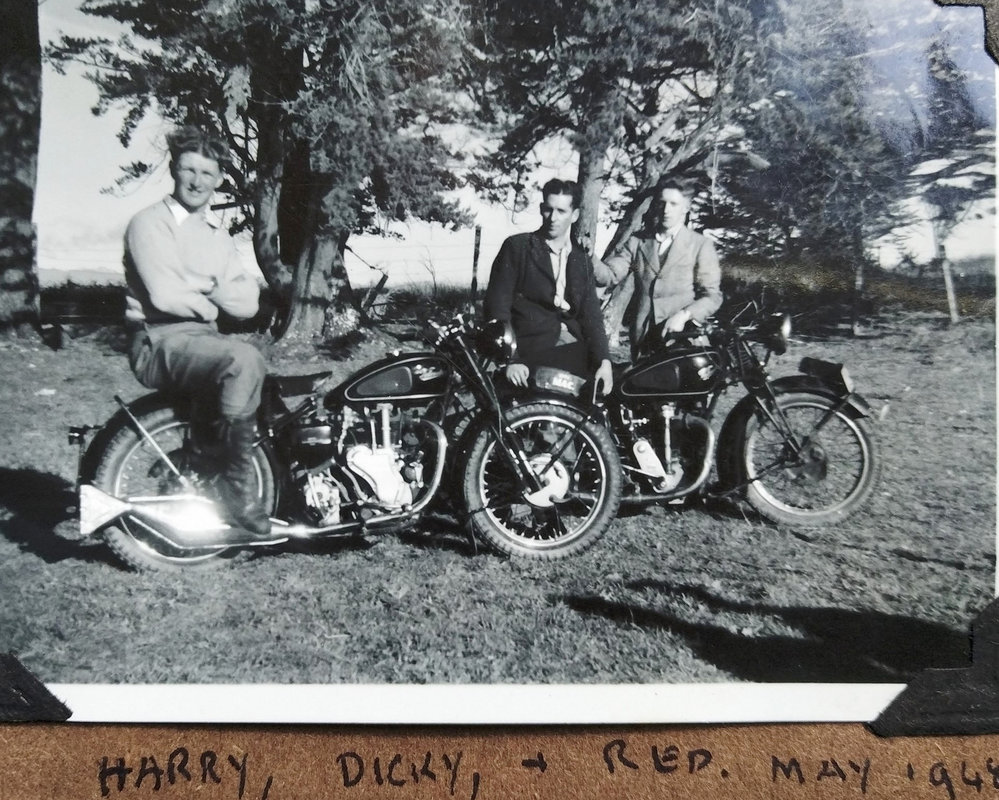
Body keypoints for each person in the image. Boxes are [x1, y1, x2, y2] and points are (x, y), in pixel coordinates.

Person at [122, 125, 273, 538]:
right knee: (243, 359)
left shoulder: (216, 236)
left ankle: (229, 469)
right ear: (174, 169)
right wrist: (212, 296)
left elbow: (248, 302)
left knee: (267, 384)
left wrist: (200, 284)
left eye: (207, 173)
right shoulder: (149, 223)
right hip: (158, 339)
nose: (196, 181)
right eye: (189, 170)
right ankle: (234, 485)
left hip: (203, 338)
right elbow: (164, 294)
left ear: (219, 179)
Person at [484, 179, 614, 394]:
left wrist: (605, 361)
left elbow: (591, 315)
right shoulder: (518, 248)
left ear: (575, 215)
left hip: (573, 348)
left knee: (609, 391)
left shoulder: (581, 259)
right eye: (548, 209)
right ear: (541, 209)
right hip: (530, 350)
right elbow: (497, 307)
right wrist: (511, 360)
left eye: (561, 211)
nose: (553, 218)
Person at [602, 180, 723, 360]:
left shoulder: (700, 245)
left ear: (686, 207)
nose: (666, 210)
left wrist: (684, 315)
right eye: (662, 203)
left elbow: (713, 297)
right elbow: (611, 274)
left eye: (674, 204)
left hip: (683, 339)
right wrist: (587, 257)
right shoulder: (637, 241)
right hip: (643, 340)